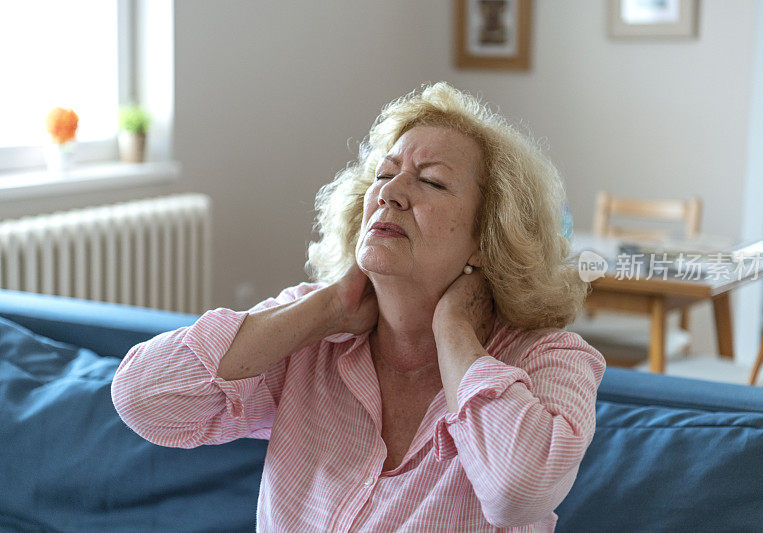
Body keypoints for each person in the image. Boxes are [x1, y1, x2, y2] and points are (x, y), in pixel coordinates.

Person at [111, 81, 605, 532]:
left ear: (488, 235)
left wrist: (454, 330)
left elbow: (517, 492)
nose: (391, 192)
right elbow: (145, 400)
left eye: (431, 181)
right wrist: (330, 305)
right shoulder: (314, 331)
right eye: (384, 174)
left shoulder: (552, 359)